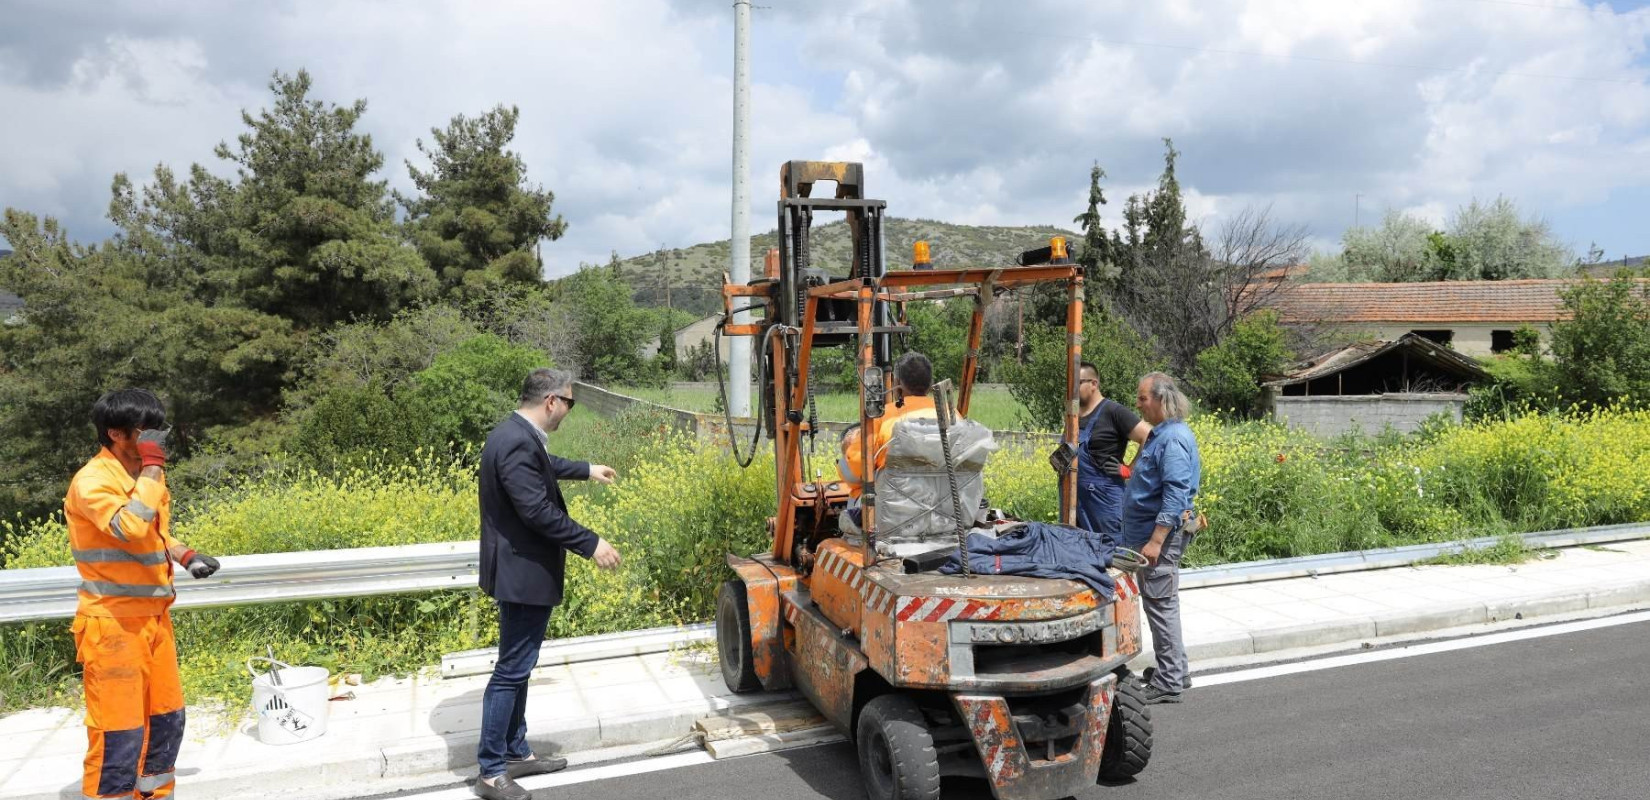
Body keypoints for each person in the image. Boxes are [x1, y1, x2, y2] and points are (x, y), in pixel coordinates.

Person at [66, 389, 222, 800]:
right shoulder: (92, 482)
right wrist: (153, 467)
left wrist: (184, 555)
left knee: (166, 718)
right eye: (146, 430)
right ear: (116, 434)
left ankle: (155, 794)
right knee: (119, 731)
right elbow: (129, 527)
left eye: (159, 428)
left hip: (154, 618)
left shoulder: (147, 475)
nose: (158, 438)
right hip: (113, 624)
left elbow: (152, 534)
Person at [475, 369, 623, 800]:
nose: (568, 412)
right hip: (522, 574)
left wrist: (587, 469)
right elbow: (537, 511)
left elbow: (543, 468)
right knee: (511, 671)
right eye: (570, 403)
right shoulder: (517, 441)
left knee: (519, 665)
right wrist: (591, 543)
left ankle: (516, 750)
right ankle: (490, 770)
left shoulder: (514, 434)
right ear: (552, 401)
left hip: (519, 570)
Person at [1119, 372, 1202, 705]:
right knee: (1162, 604)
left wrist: (1155, 541)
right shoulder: (1159, 434)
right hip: (1148, 536)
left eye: (1142, 398)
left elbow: (1175, 494)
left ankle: (1168, 681)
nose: (1137, 404)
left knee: (1161, 605)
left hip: (1159, 540)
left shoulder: (1173, 439)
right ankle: (1176, 670)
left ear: (1161, 399)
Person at [838, 352, 940, 499]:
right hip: (944, 512)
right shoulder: (953, 416)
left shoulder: (883, 418)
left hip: (893, 515)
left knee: (851, 510)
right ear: (930, 384)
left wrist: (848, 448)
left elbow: (855, 474)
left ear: (896, 382)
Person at [1072, 363, 1151, 537]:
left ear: (1093, 384)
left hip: (1105, 503)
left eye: (1077, 382)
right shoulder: (1073, 416)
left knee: (1112, 555)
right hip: (1075, 500)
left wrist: (1130, 469)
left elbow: (1149, 436)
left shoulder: (1114, 412)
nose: (1072, 388)